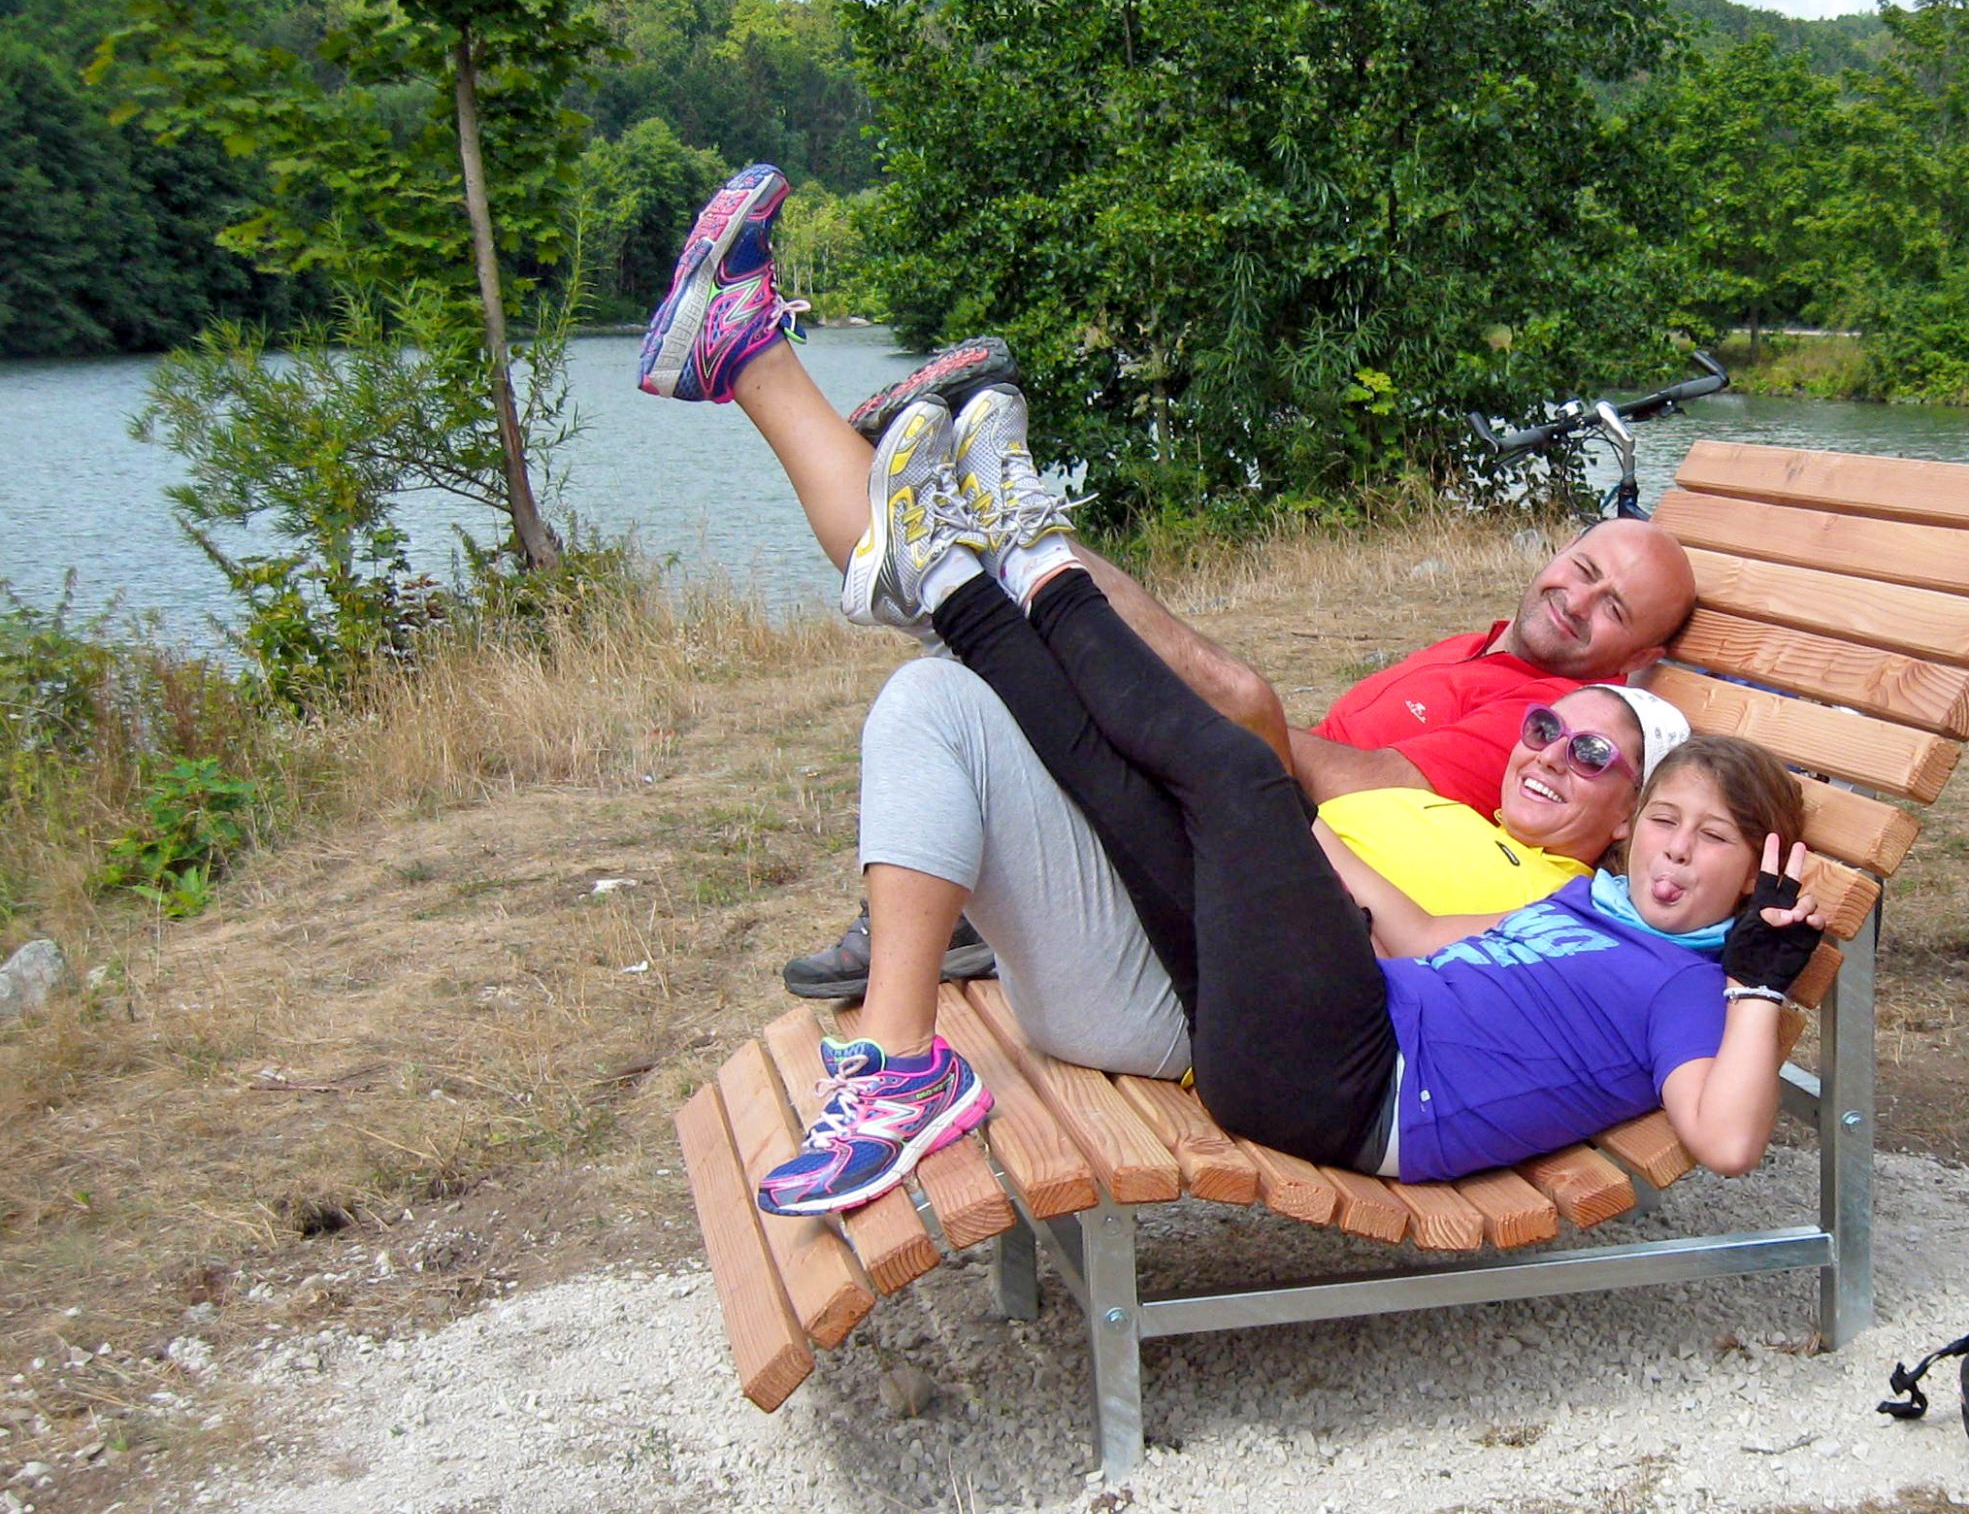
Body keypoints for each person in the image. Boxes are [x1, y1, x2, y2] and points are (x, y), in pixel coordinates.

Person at [736, 384, 1825, 1215]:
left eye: (1713, 840)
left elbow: (1725, 1140)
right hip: (1311, 1016)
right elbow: (1424, 932)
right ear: (1634, 832)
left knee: (1234, 766)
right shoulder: (1589, 907)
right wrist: (1300, 864)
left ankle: (1021, 561)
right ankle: (952, 586)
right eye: (1670, 824)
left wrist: (1760, 986)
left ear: (1756, 871)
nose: (1676, 855)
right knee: (1128, 799)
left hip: (1352, 1082)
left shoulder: (1687, 986)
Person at [633, 161, 1701, 1000]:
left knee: (1184, 678)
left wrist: (1212, 730)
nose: (1577, 596)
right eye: (1585, 563)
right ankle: (790, 389)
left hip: (1248, 860)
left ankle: (997, 521)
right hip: (1234, 840)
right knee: (954, 593)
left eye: (1613, 609)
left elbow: (1347, 797)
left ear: (1638, 662)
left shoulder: (1537, 725)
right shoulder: (1482, 663)